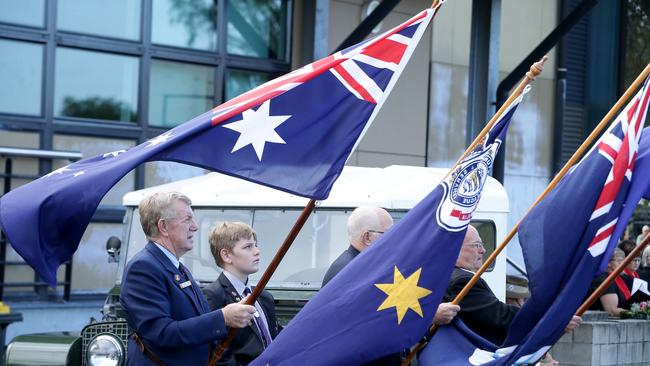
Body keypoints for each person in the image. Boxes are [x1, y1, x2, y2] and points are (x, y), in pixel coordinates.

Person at [120, 192, 257, 365]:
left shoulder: (176, 267)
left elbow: (196, 323)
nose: (195, 226)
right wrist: (223, 318)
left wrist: (232, 315)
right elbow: (161, 333)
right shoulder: (143, 268)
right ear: (163, 227)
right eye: (187, 220)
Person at [322, 206, 460, 365]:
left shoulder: (358, 267)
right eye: (389, 234)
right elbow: (375, 325)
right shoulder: (353, 273)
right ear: (367, 237)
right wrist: (430, 317)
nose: (394, 241)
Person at [444, 225, 582, 346]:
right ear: (456, 248)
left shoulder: (450, 276)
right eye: (477, 245)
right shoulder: (461, 281)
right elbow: (502, 316)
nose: (483, 250)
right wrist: (553, 319)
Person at [203, 222, 281, 365]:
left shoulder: (264, 297)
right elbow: (217, 353)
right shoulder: (214, 296)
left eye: (255, 245)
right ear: (226, 255)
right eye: (248, 247)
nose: (257, 251)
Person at [586, 247, 626, 316]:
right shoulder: (603, 279)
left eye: (623, 260)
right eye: (619, 260)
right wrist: (636, 313)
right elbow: (612, 310)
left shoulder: (620, 279)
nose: (623, 263)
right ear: (608, 263)